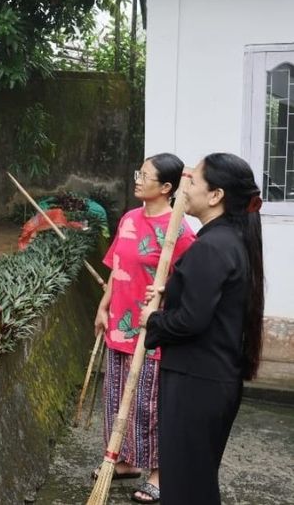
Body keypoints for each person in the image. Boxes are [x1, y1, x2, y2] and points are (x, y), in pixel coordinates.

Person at [140, 153, 264, 504]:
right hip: (209, 379)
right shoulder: (227, 241)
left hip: (196, 382)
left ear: (216, 196)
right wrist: (172, 291)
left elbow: (191, 321)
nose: (185, 184)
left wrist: (153, 320)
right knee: (194, 481)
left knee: (185, 487)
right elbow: (212, 303)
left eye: (193, 180)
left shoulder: (211, 246)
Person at [93, 153, 196, 503]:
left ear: (166, 187)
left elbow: (190, 281)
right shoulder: (129, 218)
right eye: (139, 172)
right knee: (116, 399)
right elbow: (115, 266)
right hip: (119, 327)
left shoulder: (179, 229)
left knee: (148, 407)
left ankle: (158, 473)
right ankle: (123, 461)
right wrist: (103, 306)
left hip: (151, 331)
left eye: (145, 175)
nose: (137, 179)